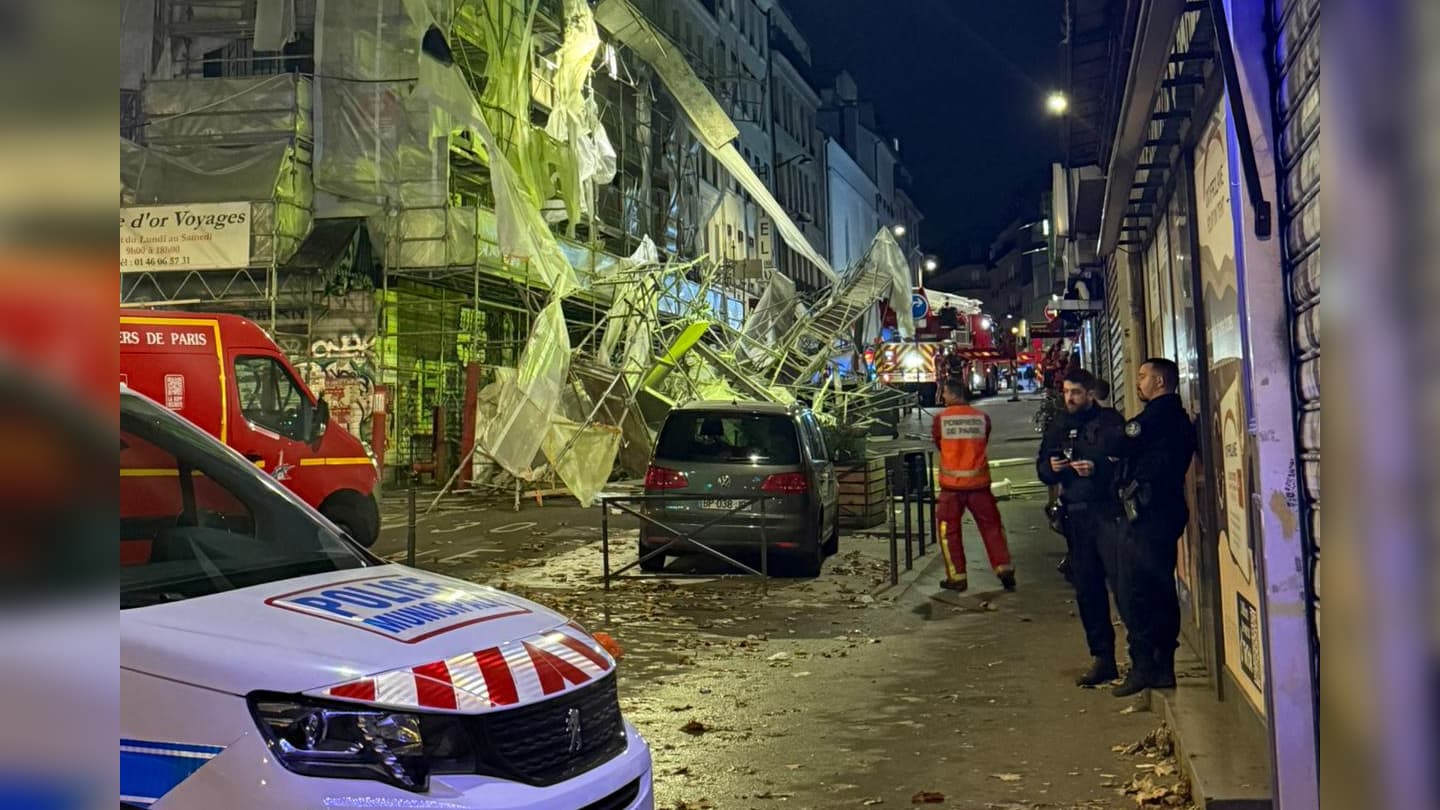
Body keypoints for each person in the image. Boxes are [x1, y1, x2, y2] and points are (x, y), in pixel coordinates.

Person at [1108, 357, 1198, 697]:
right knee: (1159, 590)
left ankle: (1144, 664)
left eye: (1144, 376)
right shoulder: (1173, 417)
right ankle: (1162, 668)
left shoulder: (1160, 417)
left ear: (1160, 383)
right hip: (1161, 511)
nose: (1138, 381)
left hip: (1150, 514)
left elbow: (1120, 442)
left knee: (1136, 590)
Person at [1037, 368, 1129, 687]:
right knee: (1088, 590)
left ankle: (1142, 657)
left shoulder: (1109, 422)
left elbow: (1125, 461)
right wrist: (1051, 469)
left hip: (1107, 513)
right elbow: (1043, 468)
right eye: (1065, 392)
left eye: (1075, 392)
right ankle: (1103, 658)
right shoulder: (1059, 425)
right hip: (1076, 516)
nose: (1069, 398)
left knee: (1124, 586)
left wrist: (1098, 467)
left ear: (1090, 394)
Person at [932, 378, 1015, 592]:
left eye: (944, 393)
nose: (943, 397)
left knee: (948, 530)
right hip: (979, 484)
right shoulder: (982, 418)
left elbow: (938, 442)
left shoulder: (941, 419)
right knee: (992, 526)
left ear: (952, 394)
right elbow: (983, 440)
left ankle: (957, 576)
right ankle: (1003, 567)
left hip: (951, 487)